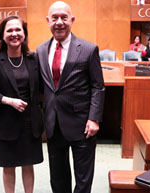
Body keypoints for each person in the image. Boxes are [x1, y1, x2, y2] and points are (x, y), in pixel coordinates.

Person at [36, 1, 105, 193]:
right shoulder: (41, 50)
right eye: (54, 18)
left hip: (82, 124)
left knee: (83, 178)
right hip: (53, 124)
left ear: (72, 20)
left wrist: (94, 118)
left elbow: (97, 87)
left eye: (64, 17)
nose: (59, 22)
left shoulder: (88, 49)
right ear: (47, 21)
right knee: (58, 178)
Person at [0, 16, 43, 193]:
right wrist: (9, 101)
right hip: (7, 121)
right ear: (2, 35)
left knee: (28, 164)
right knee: (9, 167)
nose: (14, 34)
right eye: (9, 30)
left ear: (24, 34)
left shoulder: (34, 59)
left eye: (18, 30)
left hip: (30, 122)